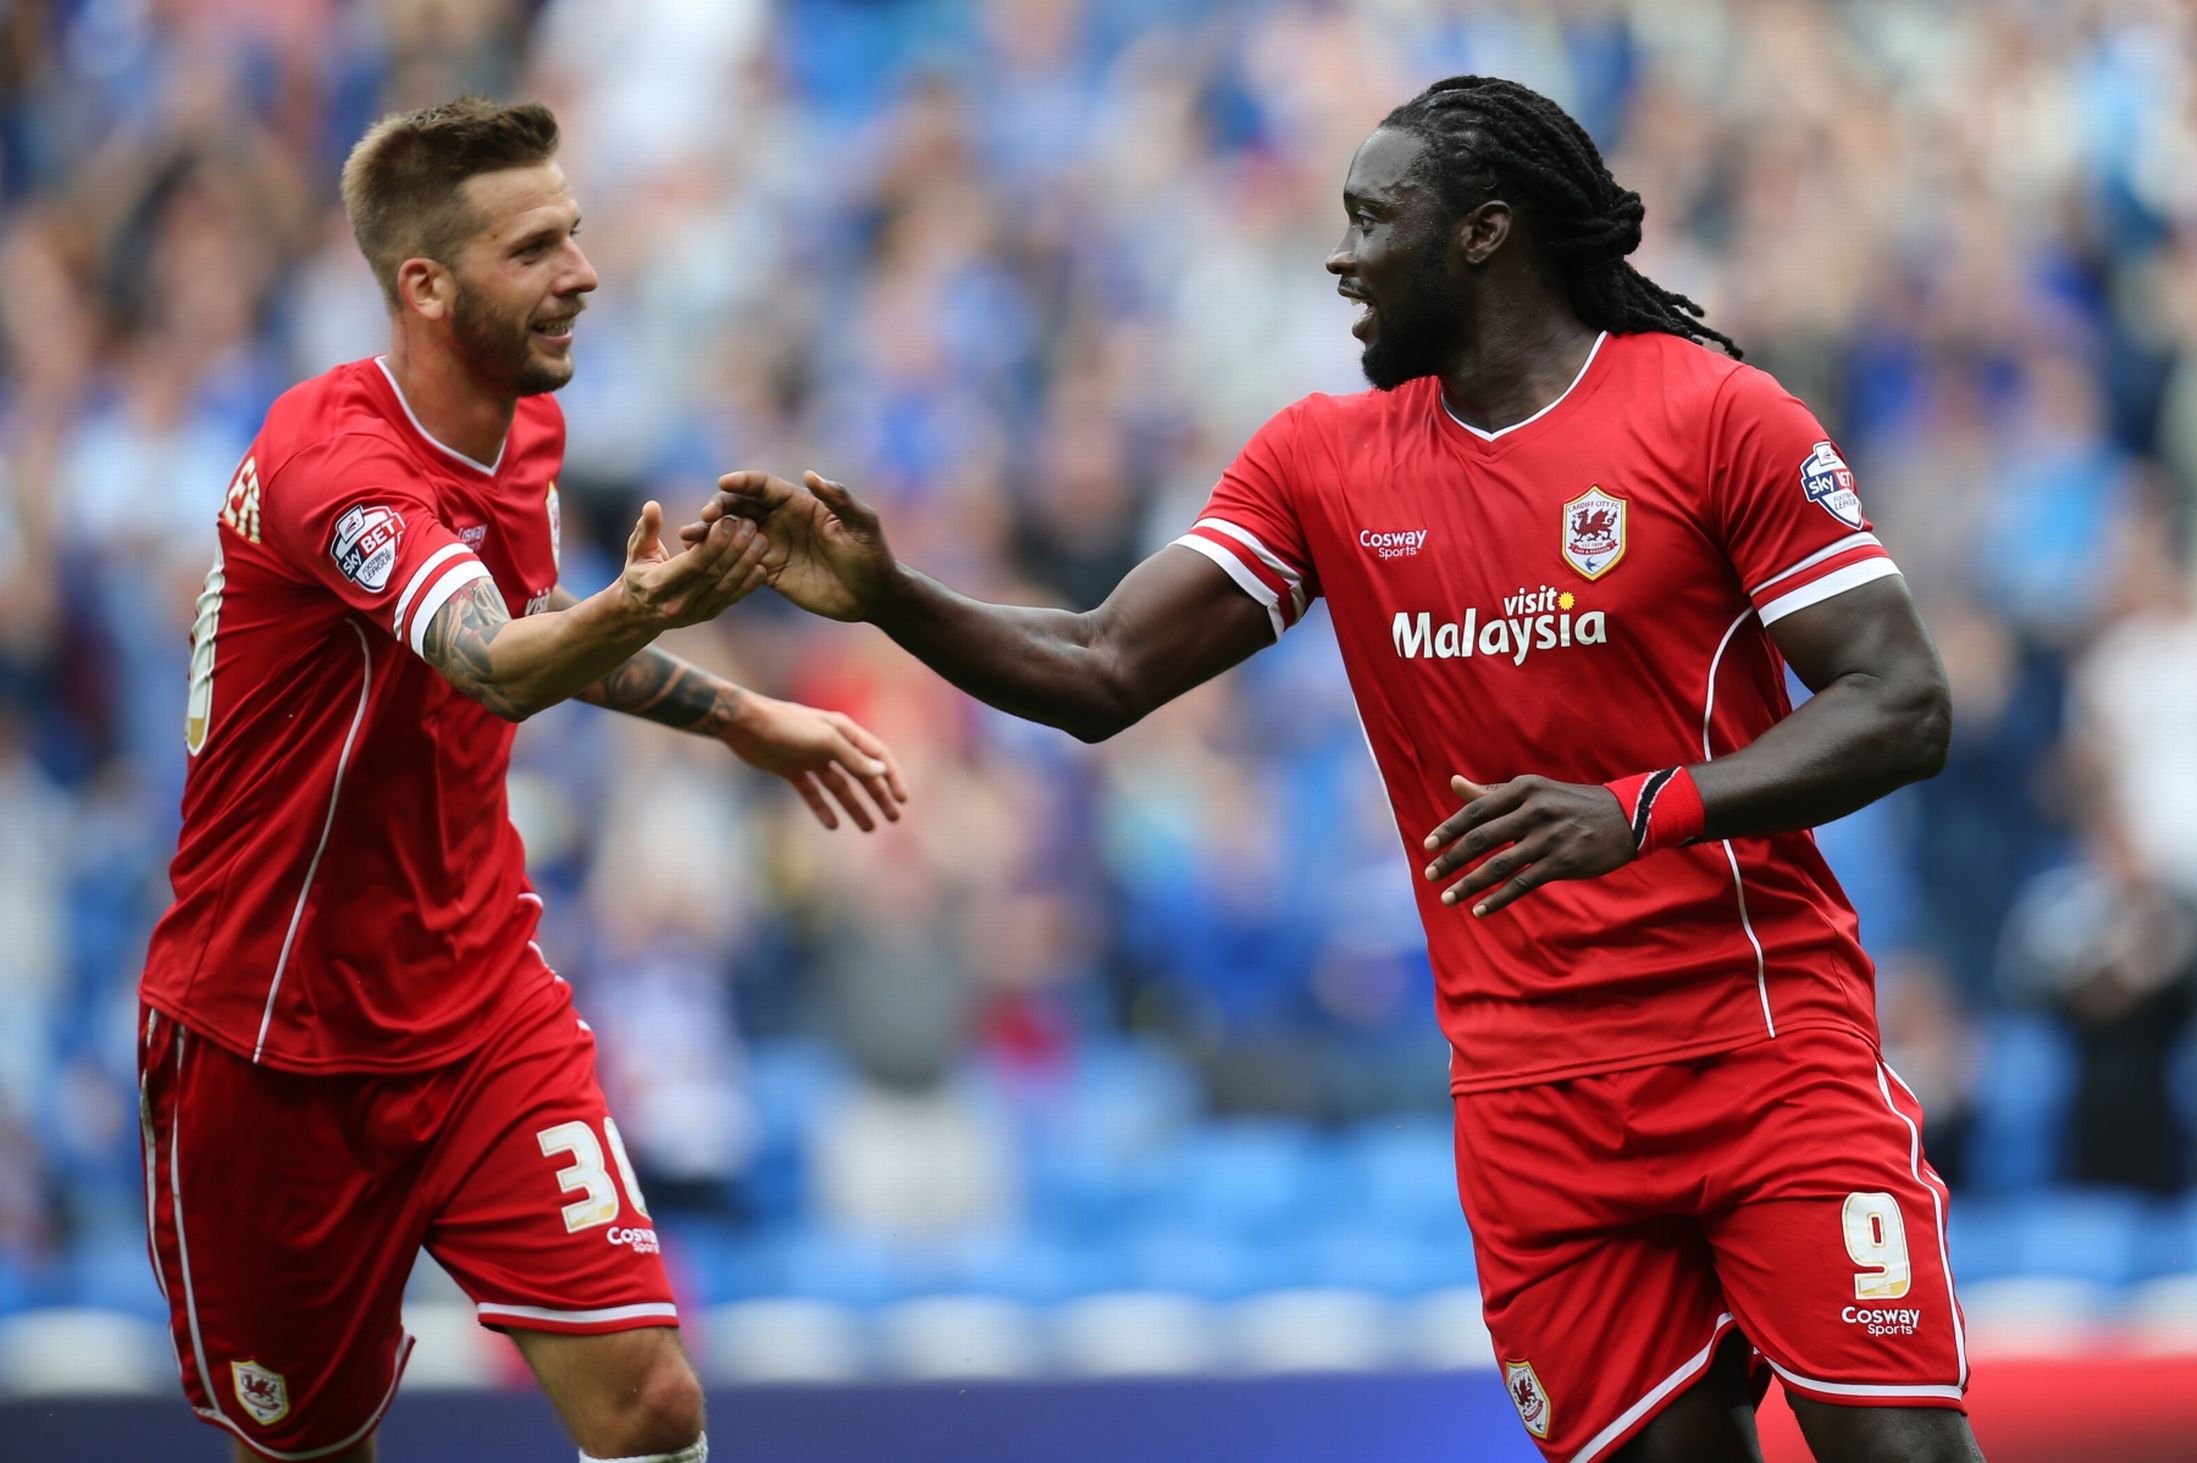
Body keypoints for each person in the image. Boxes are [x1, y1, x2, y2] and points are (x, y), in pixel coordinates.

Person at [700, 76, 1983, 1463]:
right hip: (1532, 1105)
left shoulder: (1714, 416)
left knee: (1899, 1454)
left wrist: (1640, 814)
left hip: (1761, 1053)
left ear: (1482, 234)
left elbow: (1900, 701)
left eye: (1375, 219)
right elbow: (1096, 668)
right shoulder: (1324, 463)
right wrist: (892, 596)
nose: (1341, 255)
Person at [137, 96, 908, 1463]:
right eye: (534, 246)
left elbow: (532, 623)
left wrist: (741, 716)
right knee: (315, 1452)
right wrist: (650, 611)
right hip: (273, 1041)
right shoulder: (336, 468)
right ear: (424, 285)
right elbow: (493, 660)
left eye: (577, 231)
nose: (583, 270)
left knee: (651, 1399)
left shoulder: (525, 433)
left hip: (479, 1001)